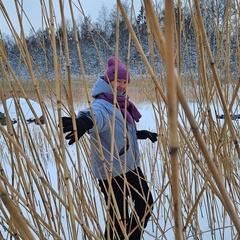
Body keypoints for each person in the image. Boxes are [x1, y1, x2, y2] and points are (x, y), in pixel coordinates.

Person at [62, 56, 157, 239]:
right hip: (111, 170)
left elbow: (116, 131)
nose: (121, 85)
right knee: (117, 218)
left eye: (124, 81)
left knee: (145, 204)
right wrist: (82, 123)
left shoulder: (121, 104)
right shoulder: (102, 105)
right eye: (117, 81)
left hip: (130, 166)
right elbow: (94, 117)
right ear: (108, 81)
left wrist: (139, 134)